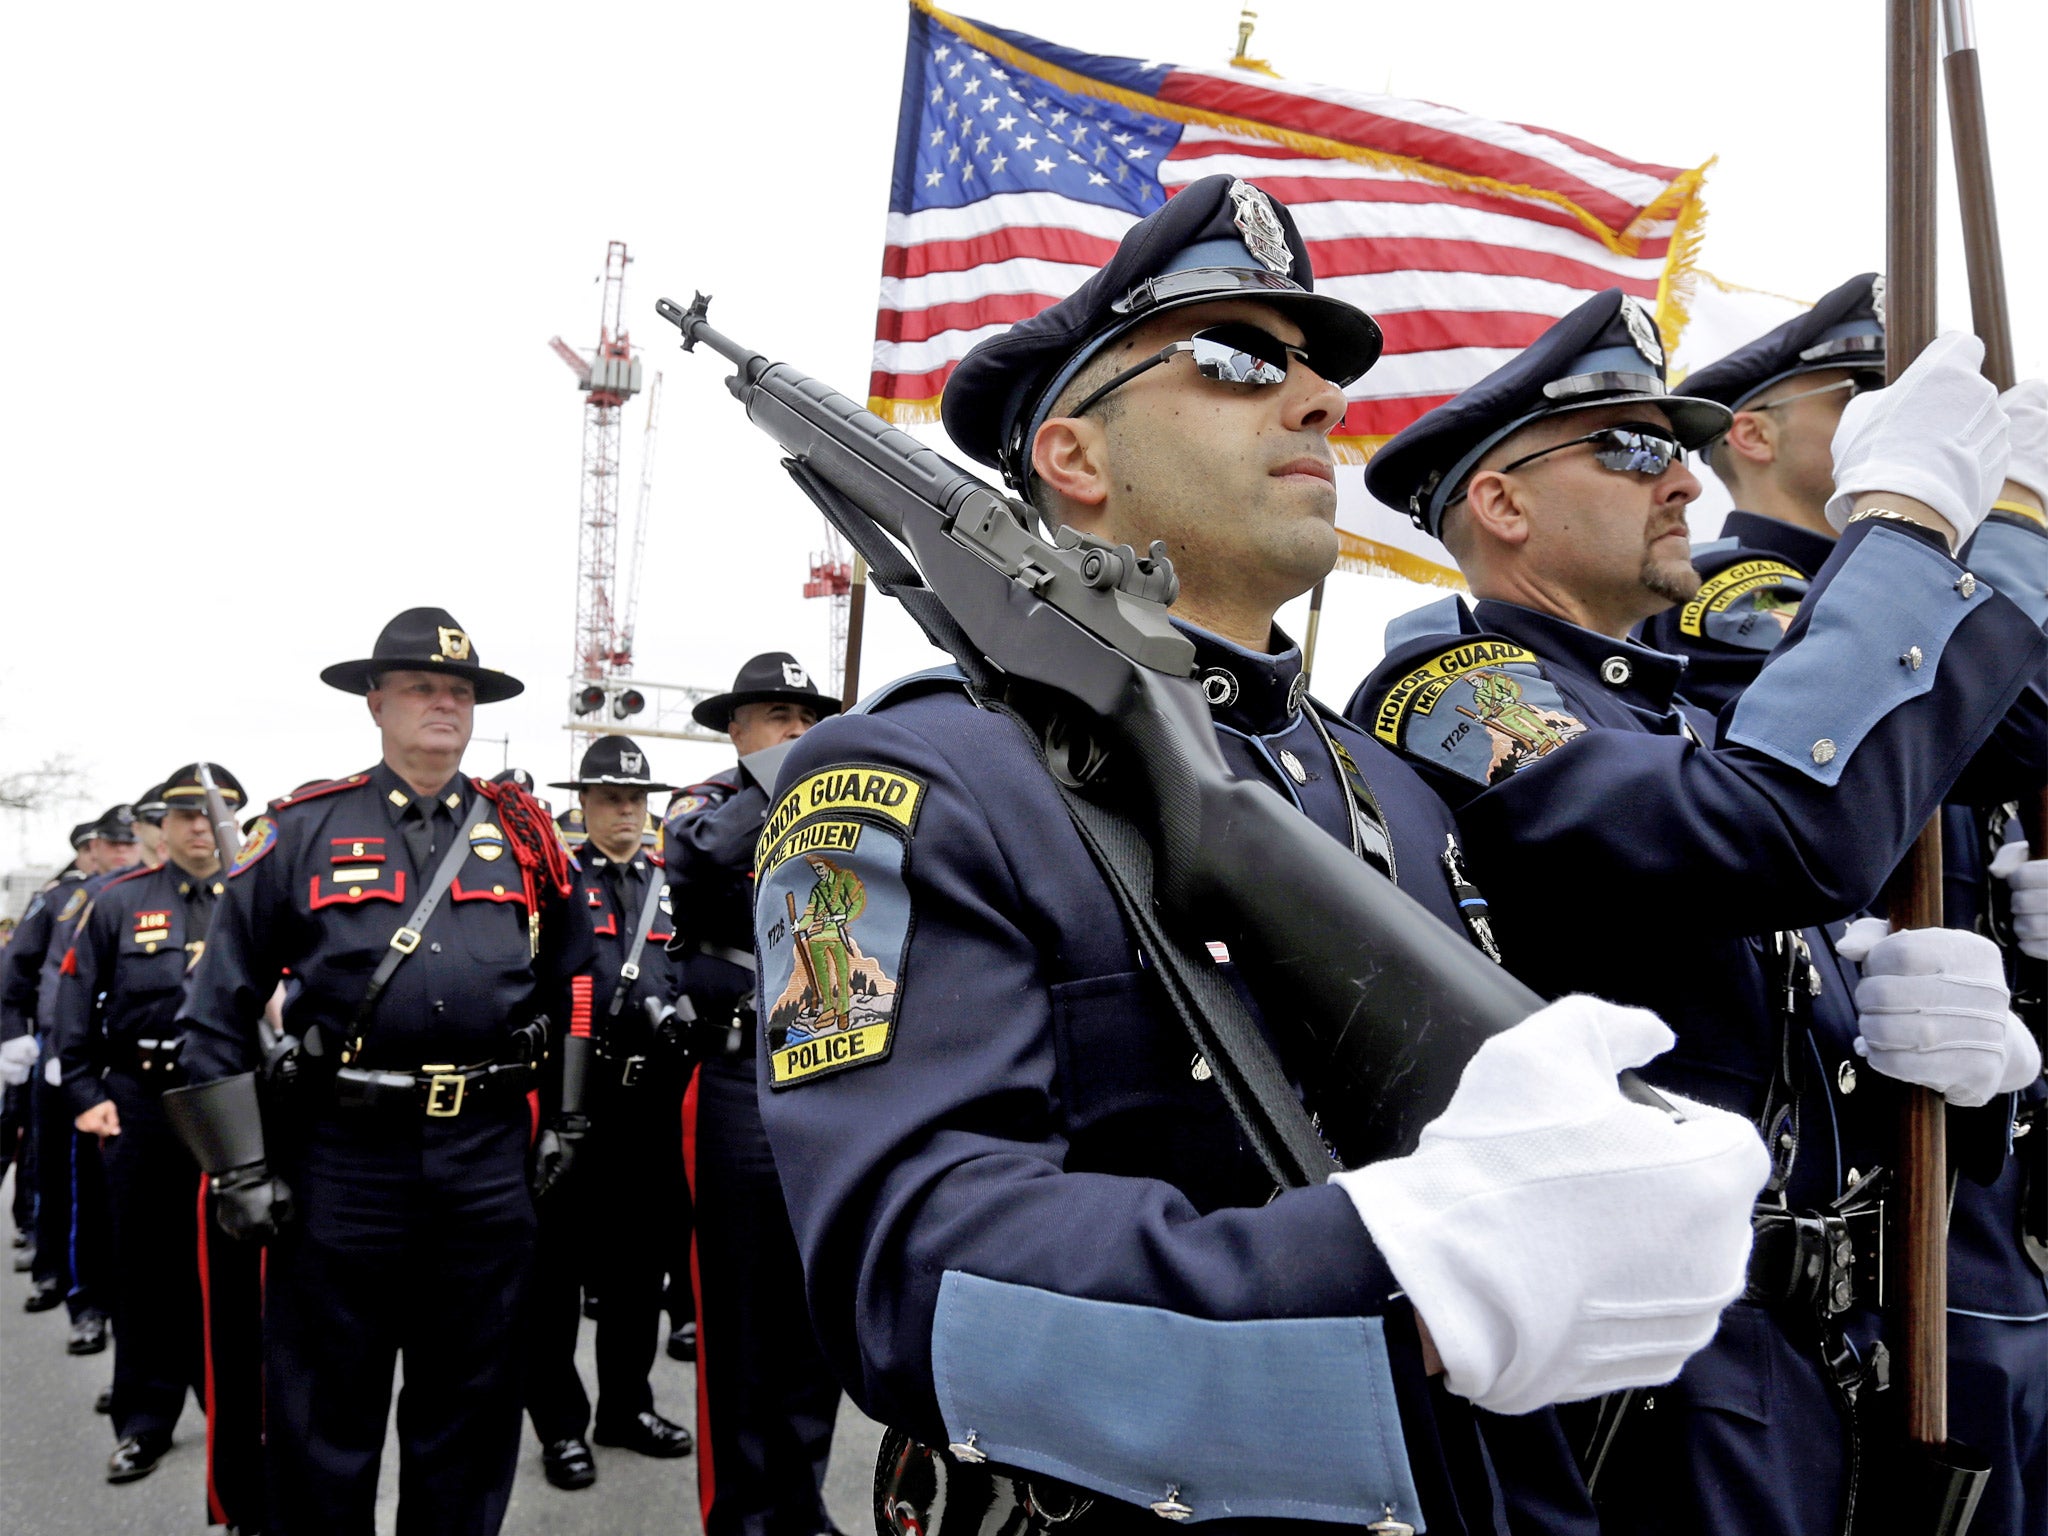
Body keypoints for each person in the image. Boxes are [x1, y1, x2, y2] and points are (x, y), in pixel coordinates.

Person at [750, 176, 1770, 1536]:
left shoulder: (1386, 786)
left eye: (1314, 374)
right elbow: (911, 1274)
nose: (1318, 402)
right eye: (1238, 361)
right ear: (1072, 458)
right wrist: (1395, 1256)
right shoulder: (919, 782)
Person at [1345, 293, 2045, 1535]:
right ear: (1500, 505)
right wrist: (1927, 523)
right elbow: (1770, 837)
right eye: (1627, 448)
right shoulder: (1452, 686)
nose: (1679, 481)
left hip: (1810, 1351)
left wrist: (1963, 1074)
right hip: (1670, 1383)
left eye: (1676, 447)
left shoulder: (1673, 716)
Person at [1645, 288, 2048, 1535]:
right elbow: (1981, 720)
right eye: (1868, 394)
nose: (1932, 416)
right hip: (1870, 1158)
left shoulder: (1930, 588)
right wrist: (2014, 531)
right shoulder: (1734, 594)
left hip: (1984, 1141)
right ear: (1750, 436)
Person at [169, 607, 597, 1536]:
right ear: (376, 703)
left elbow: (576, 984)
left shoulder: (522, 834)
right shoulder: (303, 828)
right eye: (421, 688)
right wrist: (238, 1170)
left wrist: (566, 1118)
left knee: (471, 1411)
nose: (445, 704)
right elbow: (215, 1011)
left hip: (487, 1160)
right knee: (326, 1411)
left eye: (459, 692)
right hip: (345, 1160)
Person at [664, 651, 851, 1536]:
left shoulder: (847, 813)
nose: (798, 731)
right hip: (739, 1080)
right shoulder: (705, 806)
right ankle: (739, 1515)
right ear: (735, 730)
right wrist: (790, 775)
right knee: (738, 1324)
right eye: (777, 715)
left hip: (832, 1078)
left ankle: (800, 1501)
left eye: (809, 717)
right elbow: (706, 857)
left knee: (816, 1315)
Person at [49, 765, 264, 1517]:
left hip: (234, 1105)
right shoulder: (116, 904)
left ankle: (240, 1423)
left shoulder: (256, 897)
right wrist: (83, 1095)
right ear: (164, 826)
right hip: (141, 1101)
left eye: (215, 816)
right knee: (145, 1267)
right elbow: (72, 999)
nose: (201, 829)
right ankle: (145, 1419)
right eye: (187, 817)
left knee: (238, 1271)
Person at [523, 733, 695, 1490]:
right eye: (610, 799)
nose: (625, 812)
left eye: (635, 799)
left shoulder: (674, 884)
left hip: (651, 1107)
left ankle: (625, 1408)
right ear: (584, 804)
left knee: (638, 1276)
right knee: (555, 1279)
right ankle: (560, 1425)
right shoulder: (560, 885)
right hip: (575, 1104)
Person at [4, 810, 134, 1349]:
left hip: (125, 1067)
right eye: (117, 843)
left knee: (113, 1200)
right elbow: (27, 971)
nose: (127, 851)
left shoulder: (149, 893)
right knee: (55, 1174)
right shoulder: (68, 899)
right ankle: (59, 1276)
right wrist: (25, 1038)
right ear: (93, 847)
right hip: (63, 1056)